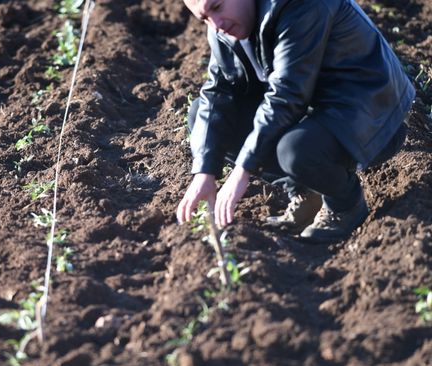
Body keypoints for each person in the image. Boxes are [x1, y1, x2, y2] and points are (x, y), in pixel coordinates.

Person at [176, 0, 415, 243]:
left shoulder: (301, 5)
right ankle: (305, 190)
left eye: (217, 7)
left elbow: (288, 93)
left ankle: (345, 204)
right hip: (312, 109)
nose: (216, 25)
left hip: (372, 112)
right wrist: (205, 170)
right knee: (201, 116)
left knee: (295, 150)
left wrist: (243, 169)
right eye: (204, 18)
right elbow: (218, 91)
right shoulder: (224, 28)